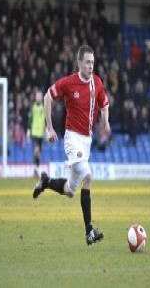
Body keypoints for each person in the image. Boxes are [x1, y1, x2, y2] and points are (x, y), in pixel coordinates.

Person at [33, 45, 111, 245]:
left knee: (69, 190)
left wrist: (106, 121)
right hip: (72, 139)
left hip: (87, 142)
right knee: (88, 177)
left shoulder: (97, 83)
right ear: (79, 63)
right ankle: (89, 232)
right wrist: (49, 128)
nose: (91, 66)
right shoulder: (69, 82)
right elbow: (47, 97)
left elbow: (105, 104)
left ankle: (46, 182)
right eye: (87, 62)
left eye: (93, 62)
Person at [28, 91, 45, 177]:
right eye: (37, 96)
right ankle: (35, 170)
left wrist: (47, 129)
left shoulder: (44, 107)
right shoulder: (33, 107)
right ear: (36, 97)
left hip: (41, 134)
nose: (39, 98)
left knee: (38, 153)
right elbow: (30, 119)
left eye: (40, 96)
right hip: (34, 132)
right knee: (36, 150)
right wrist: (28, 129)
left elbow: (46, 120)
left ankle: (36, 170)